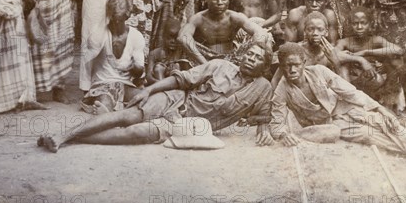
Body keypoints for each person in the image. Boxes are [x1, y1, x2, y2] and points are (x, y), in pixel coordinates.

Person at [37, 42, 275, 152]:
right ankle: (62, 136)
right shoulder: (219, 65)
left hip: (190, 125)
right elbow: (180, 80)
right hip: (177, 100)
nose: (250, 59)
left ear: (264, 66)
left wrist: (264, 128)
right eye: (249, 54)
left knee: (135, 133)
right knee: (129, 116)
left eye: (257, 58)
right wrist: (148, 90)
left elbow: (265, 115)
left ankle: (76, 138)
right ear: (242, 55)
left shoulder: (263, 87)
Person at [268, 43, 406, 164]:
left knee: (383, 121)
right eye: (286, 66)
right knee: (369, 135)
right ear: (281, 66)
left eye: (295, 65)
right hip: (328, 125)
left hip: (345, 109)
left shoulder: (319, 71)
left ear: (303, 63)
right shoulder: (281, 90)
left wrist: (380, 109)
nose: (291, 70)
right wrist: (283, 135)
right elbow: (276, 123)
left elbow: (349, 92)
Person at [178, 0, 270, 65]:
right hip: (203, 59)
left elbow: (261, 33)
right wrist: (205, 64)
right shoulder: (198, 18)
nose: (219, 2)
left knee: (265, 36)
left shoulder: (235, 17)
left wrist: (248, 52)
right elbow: (183, 38)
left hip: (231, 59)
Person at [81, 0, 144, 115]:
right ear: (108, 16)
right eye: (113, 19)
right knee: (104, 105)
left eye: (119, 20)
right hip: (102, 85)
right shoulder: (98, 34)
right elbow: (86, 63)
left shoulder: (136, 37)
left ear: (127, 15)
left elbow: (139, 72)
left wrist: (133, 68)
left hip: (125, 85)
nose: (115, 23)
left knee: (146, 101)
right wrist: (86, 88)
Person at [334, 7, 404, 112]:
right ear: (350, 24)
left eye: (363, 23)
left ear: (370, 24)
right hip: (355, 83)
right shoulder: (345, 42)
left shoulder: (376, 40)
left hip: (374, 81)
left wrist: (367, 52)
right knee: (343, 66)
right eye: (355, 23)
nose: (359, 27)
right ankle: (350, 103)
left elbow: (398, 50)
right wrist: (360, 60)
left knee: (394, 61)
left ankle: (388, 104)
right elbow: (333, 55)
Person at [146, 18, 191, 84]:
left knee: (177, 67)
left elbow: (188, 78)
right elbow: (149, 77)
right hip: (158, 85)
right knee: (158, 68)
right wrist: (161, 83)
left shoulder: (183, 54)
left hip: (177, 87)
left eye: (176, 38)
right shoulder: (154, 54)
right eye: (169, 37)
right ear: (163, 37)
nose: (173, 41)